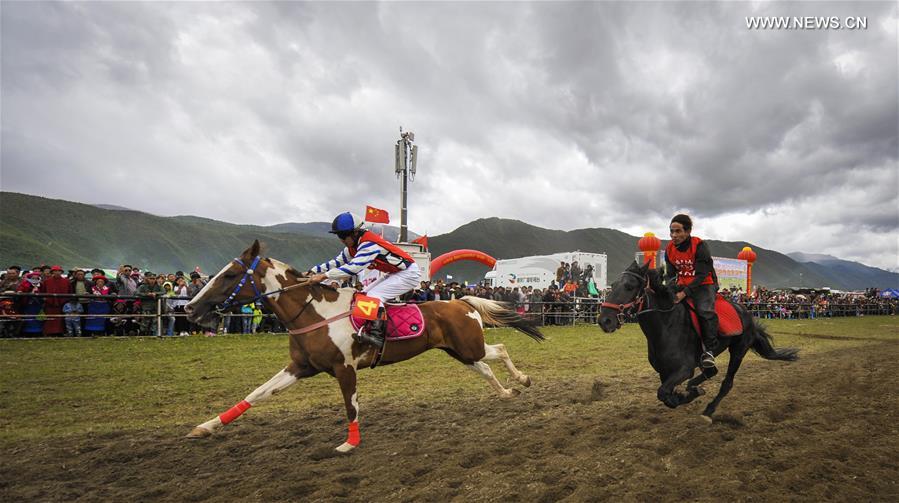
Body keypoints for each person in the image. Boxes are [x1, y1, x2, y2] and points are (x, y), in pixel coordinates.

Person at [308, 212, 421, 347]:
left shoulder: (369, 244)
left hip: (408, 272)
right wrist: (313, 270)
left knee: (373, 297)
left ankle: (377, 336)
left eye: (343, 235)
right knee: (363, 295)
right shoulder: (352, 248)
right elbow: (336, 262)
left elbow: (353, 268)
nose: (341, 239)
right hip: (396, 272)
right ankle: (367, 328)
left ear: (355, 232)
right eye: (338, 235)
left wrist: (324, 276)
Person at [665, 214, 719, 369]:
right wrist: (670, 288)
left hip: (704, 284)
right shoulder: (669, 249)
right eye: (671, 231)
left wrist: (684, 293)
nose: (674, 235)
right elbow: (670, 274)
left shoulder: (700, 246)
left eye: (678, 231)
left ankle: (709, 351)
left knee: (704, 311)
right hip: (682, 283)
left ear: (687, 231)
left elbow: (702, 275)